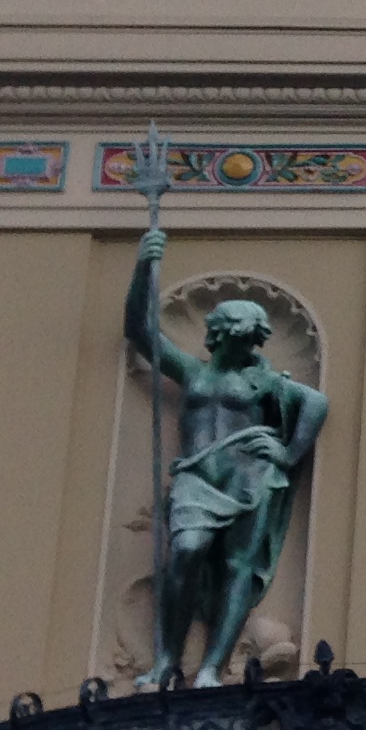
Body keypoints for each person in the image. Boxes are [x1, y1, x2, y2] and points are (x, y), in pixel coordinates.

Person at [127, 231, 328, 687]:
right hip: (198, 476)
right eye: (239, 337)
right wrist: (144, 266)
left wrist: (288, 454)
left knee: (238, 567)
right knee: (186, 551)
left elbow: (315, 403)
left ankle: (211, 668)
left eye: (251, 338)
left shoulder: (264, 382)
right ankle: (167, 660)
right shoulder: (193, 372)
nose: (246, 346)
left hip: (250, 476)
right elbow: (140, 330)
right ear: (218, 335)